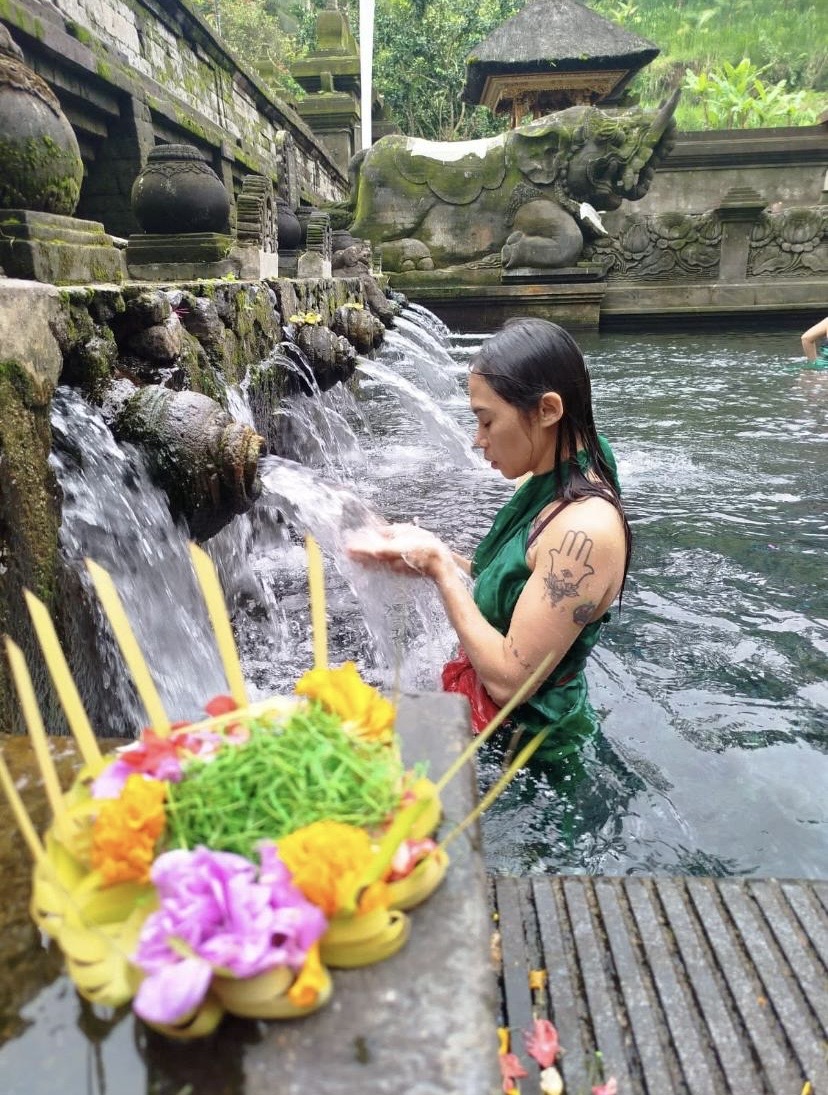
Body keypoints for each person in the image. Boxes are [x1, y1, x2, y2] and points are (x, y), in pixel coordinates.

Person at [347, 317, 631, 761]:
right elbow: (510, 581)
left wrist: (440, 566)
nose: (478, 441)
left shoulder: (584, 533)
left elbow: (510, 681)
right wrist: (424, 551)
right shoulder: (559, 478)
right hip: (499, 736)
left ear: (548, 410)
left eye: (486, 421)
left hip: (535, 755)